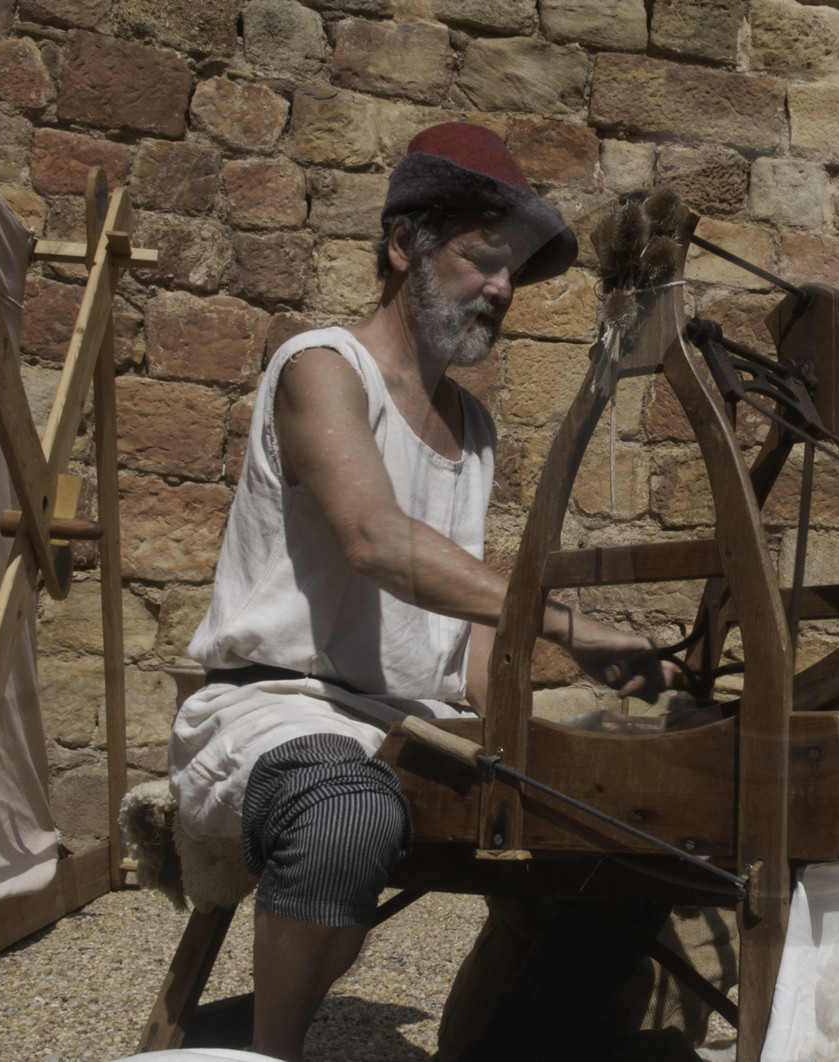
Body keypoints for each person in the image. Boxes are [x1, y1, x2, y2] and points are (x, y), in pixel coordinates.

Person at [168, 122, 672, 1062]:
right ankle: (272, 1053)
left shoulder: (472, 427)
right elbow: (372, 538)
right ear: (405, 243)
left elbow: (467, 621)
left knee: (614, 811)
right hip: (281, 712)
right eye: (484, 259)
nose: (502, 289)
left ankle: (512, 1042)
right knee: (348, 814)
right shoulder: (323, 367)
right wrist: (568, 624)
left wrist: (528, 738)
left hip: (414, 729)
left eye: (512, 271)